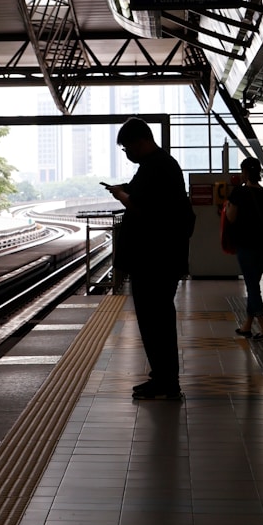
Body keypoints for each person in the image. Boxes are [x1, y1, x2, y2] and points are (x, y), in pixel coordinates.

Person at [102, 117, 194, 401]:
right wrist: (125, 190)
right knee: (156, 320)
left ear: (140, 142)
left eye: (127, 147)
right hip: (158, 259)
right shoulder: (158, 165)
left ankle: (166, 382)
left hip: (155, 261)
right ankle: (162, 378)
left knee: (155, 321)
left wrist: (121, 195)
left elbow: (143, 206)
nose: (127, 153)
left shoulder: (158, 166)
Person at [226, 157, 263, 340]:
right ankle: (247, 325)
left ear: (245, 172)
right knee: (253, 284)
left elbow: (231, 218)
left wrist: (229, 205)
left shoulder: (239, 192)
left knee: (253, 287)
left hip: (245, 245)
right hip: (262, 246)